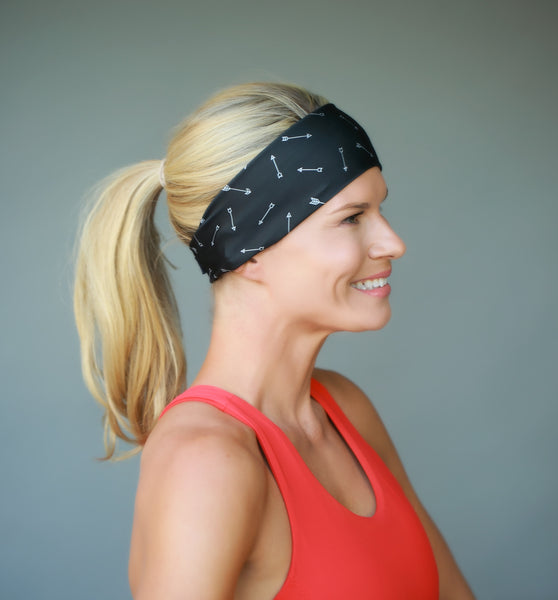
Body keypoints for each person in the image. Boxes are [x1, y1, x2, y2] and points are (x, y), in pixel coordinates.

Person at [73, 82, 475, 599]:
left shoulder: (346, 409)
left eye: (379, 211)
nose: (392, 243)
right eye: (352, 218)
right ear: (250, 248)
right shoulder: (206, 461)